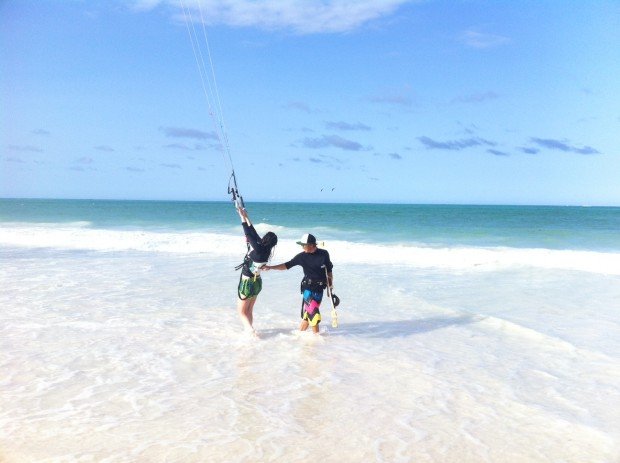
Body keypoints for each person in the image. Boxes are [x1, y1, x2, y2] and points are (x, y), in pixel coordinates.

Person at [263, 233, 333, 334]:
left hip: (319, 290)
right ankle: (317, 340)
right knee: (314, 315)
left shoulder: (324, 254)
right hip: (308, 290)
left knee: (307, 316)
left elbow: (329, 271)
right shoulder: (302, 257)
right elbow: (287, 265)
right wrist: (270, 267)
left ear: (312, 245)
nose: (302, 247)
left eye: (304, 245)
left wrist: (330, 287)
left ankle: (299, 336)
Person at [235, 206, 278, 336]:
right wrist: (245, 216)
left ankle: (250, 331)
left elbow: (248, 234)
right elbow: (253, 233)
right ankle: (249, 332)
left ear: (265, 239)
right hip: (256, 283)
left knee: (242, 312)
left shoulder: (259, 249)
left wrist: (241, 217)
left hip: (247, 283)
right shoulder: (266, 250)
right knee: (249, 310)